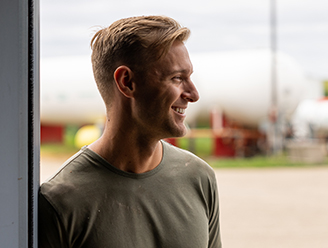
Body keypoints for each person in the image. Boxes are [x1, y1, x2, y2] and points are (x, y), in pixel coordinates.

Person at [39, 15, 221, 248]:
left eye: (190, 77)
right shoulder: (60, 201)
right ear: (127, 82)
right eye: (177, 78)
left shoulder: (199, 178)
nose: (194, 94)